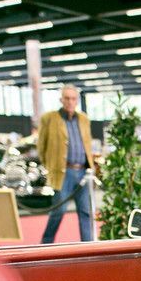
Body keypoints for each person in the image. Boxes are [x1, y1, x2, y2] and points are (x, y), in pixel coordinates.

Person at [37, 85, 95, 243]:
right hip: (63, 173)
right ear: (61, 100)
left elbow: (88, 144)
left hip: (83, 172)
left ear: (77, 101)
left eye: (73, 98)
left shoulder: (84, 119)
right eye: (67, 98)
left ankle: (88, 246)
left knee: (85, 212)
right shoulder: (49, 118)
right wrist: (50, 166)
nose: (70, 102)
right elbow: (41, 146)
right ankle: (46, 244)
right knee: (58, 211)